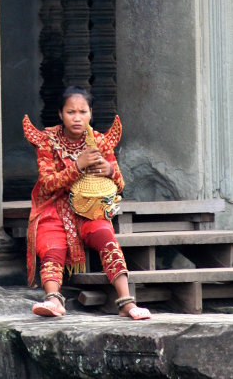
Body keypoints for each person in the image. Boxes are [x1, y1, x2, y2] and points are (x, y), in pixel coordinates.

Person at [23, 85, 151, 320]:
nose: (77, 118)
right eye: (71, 112)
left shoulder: (99, 141)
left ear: (91, 113)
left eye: (83, 112)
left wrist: (110, 170)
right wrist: (78, 165)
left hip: (90, 210)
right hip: (53, 207)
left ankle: (126, 302)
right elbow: (49, 183)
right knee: (51, 244)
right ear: (61, 114)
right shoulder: (47, 141)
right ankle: (53, 300)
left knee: (106, 236)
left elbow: (120, 184)